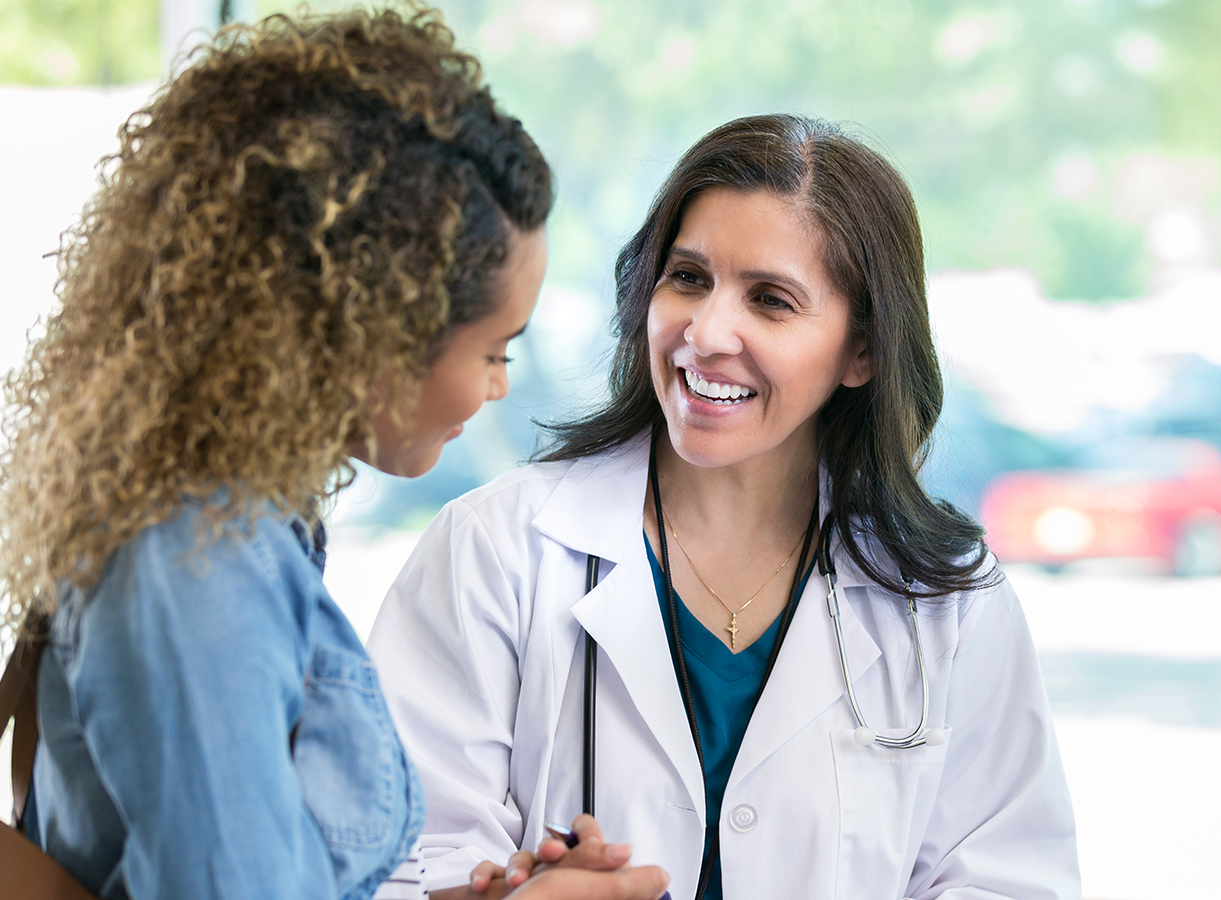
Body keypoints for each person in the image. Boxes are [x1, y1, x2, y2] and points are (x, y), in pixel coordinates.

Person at [0, 8, 667, 900]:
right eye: (494, 351)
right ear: (374, 337)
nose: (501, 386)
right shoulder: (196, 568)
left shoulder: (246, 527)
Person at [368, 114, 1080, 900]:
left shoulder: (948, 603)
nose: (706, 332)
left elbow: (1010, 877)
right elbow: (397, 864)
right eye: (688, 278)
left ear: (864, 351)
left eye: (771, 301)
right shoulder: (493, 552)